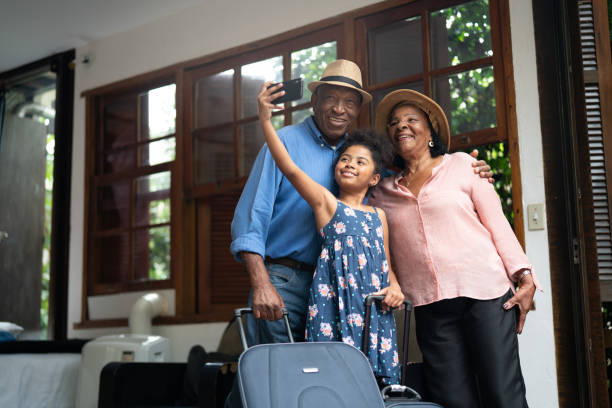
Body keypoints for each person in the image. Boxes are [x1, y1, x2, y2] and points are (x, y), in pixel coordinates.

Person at [230, 59, 493, 346]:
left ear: (357, 110)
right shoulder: (283, 144)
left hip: (339, 288)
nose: (339, 108)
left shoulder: (362, 157)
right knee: (272, 375)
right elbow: (250, 220)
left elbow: (416, 172)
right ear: (315, 100)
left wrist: (466, 166)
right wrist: (262, 283)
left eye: (349, 102)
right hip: (286, 280)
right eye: (330, 97)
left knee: (325, 380)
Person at [368, 89, 541, 408]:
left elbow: (497, 224)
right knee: (452, 400)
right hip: (429, 304)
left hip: (486, 295)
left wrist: (525, 277)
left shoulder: (463, 166)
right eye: (394, 123)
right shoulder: (381, 191)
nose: (401, 126)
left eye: (411, 119)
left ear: (430, 129)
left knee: (502, 393)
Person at [257, 80, 404, 383]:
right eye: (345, 160)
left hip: (371, 312)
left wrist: (396, 288)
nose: (350, 165)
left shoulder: (379, 215)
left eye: (360, 162)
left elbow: (386, 264)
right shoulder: (327, 204)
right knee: (326, 379)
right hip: (334, 306)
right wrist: (264, 121)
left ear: (375, 177)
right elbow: (290, 168)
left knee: (371, 383)